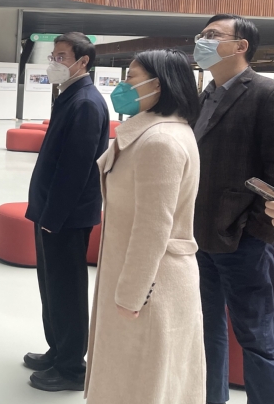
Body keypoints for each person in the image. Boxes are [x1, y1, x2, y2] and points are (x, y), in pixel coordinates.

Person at [85, 49, 205, 404]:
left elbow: (153, 228)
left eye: (132, 77)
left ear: (159, 84)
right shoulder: (153, 133)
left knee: (141, 384)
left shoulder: (160, 142)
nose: (124, 85)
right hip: (140, 276)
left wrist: (131, 294)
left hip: (151, 286)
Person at [191, 14, 274, 404]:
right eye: (201, 34)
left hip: (244, 241)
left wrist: (252, 227)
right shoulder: (204, 96)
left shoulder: (265, 93)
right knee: (206, 329)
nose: (202, 41)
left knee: (256, 335)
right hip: (199, 235)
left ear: (241, 46)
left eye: (212, 35)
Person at [24, 32, 110, 392]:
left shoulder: (86, 103)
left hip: (65, 218)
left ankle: (72, 367)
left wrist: (53, 218)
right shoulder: (70, 95)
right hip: (51, 212)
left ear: (83, 61)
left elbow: (76, 169)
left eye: (61, 57)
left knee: (68, 290)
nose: (54, 63)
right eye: (53, 56)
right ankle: (57, 349)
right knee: (52, 286)